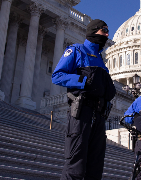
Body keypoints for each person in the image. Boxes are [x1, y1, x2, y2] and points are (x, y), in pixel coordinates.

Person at [52, 19, 116, 180]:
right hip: (82, 113)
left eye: (108, 31)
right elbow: (57, 76)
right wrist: (82, 81)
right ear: (93, 31)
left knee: (96, 165)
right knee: (76, 162)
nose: (107, 34)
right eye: (104, 30)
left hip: (99, 116)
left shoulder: (101, 60)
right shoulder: (76, 50)